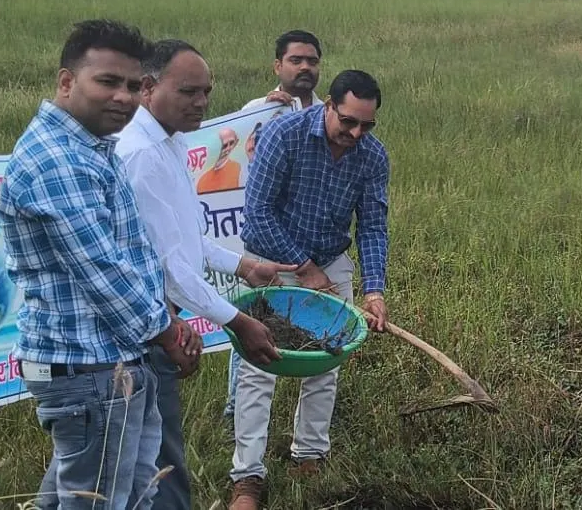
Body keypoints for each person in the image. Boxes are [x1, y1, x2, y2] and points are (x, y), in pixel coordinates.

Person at [0, 20, 203, 510]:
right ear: (67, 82)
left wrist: (163, 322)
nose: (124, 98)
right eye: (107, 82)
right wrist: (168, 333)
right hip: (88, 367)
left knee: (121, 495)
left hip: (111, 362)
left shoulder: (92, 148)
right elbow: (103, 272)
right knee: (97, 502)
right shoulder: (58, 161)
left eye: (133, 86)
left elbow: (132, 254)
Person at [115, 39, 299, 510]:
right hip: (139, 331)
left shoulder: (172, 142)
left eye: (206, 92)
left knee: (150, 452)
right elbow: (171, 270)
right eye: (189, 92)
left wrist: (243, 264)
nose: (200, 103)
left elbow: (188, 240)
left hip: (159, 323)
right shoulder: (141, 157)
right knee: (152, 456)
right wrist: (237, 322)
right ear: (148, 88)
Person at [226, 70, 391, 510]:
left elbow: (373, 227)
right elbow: (257, 213)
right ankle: (247, 477)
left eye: (367, 125)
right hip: (272, 262)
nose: (356, 133)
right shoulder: (285, 134)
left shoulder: (372, 157)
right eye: (348, 122)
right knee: (259, 367)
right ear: (328, 107)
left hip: (331, 260)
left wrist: (374, 291)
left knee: (327, 358)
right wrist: (304, 268)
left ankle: (309, 454)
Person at [223, 28, 324, 416]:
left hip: (308, 243)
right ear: (278, 65)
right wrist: (263, 113)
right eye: (296, 60)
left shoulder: (327, 115)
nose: (304, 67)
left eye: (311, 61)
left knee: (306, 326)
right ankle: (237, 409)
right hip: (264, 239)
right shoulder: (255, 111)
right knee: (254, 323)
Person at [194, 127, 242, 194]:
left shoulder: (238, 168)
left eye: (231, 143)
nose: (228, 149)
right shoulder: (203, 180)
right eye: (224, 146)